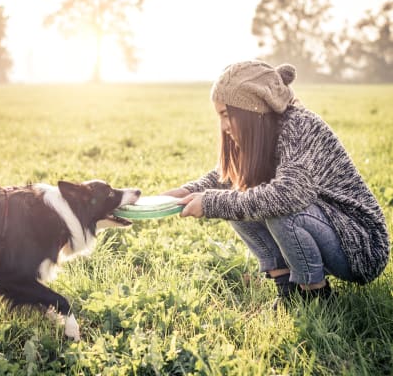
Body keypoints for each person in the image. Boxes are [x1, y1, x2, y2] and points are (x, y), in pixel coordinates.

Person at [163, 60, 390, 309]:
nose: (224, 126)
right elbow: (230, 179)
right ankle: (288, 291)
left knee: (279, 212)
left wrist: (211, 202)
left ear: (251, 110)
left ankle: (316, 297)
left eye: (227, 115)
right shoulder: (265, 129)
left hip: (360, 244)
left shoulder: (301, 126)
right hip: (326, 227)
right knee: (234, 201)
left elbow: (288, 195)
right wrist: (189, 191)